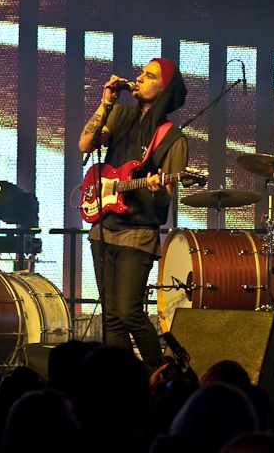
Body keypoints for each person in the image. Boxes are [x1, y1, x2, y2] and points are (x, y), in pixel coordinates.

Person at [78, 58, 188, 374]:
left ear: (164, 89)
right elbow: (86, 143)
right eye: (140, 73)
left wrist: (157, 189)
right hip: (104, 227)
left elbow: (166, 194)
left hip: (137, 232)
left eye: (149, 76)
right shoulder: (122, 115)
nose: (138, 79)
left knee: (128, 312)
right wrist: (105, 103)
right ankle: (122, 381)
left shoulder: (172, 137)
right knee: (111, 315)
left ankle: (163, 371)